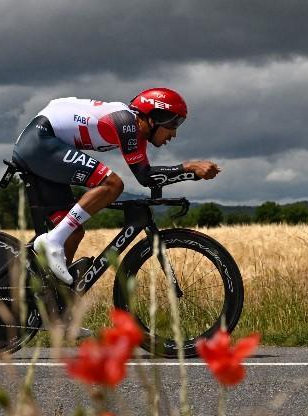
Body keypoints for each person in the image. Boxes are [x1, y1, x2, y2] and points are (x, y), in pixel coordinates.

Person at [12, 88, 220, 285]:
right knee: (112, 184)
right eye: (173, 125)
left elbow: (147, 178)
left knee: (73, 233)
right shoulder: (125, 121)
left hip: (41, 146)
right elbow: (144, 175)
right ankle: (52, 241)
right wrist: (188, 167)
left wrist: (189, 172)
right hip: (39, 142)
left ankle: (51, 303)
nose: (173, 135)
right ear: (154, 118)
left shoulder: (134, 131)